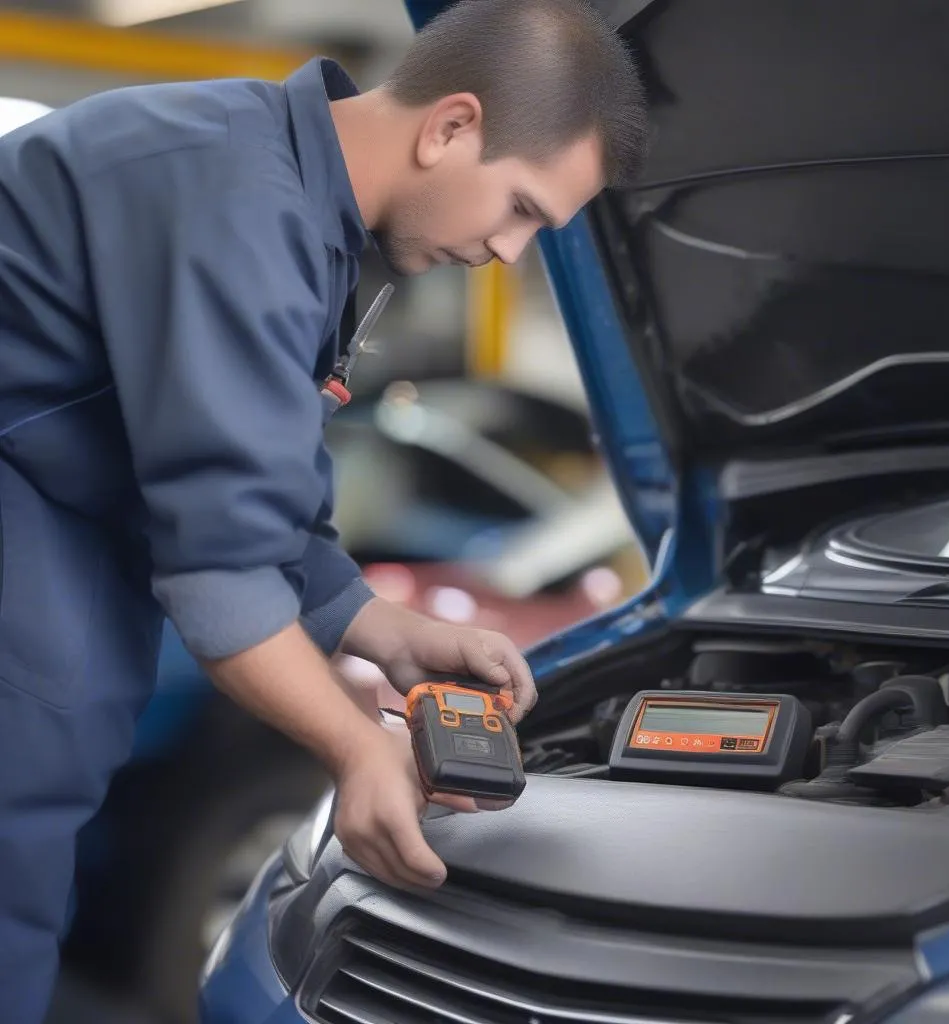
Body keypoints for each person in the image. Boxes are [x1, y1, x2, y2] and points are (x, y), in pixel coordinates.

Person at [0, 0, 649, 1019]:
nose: (510, 251)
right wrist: (359, 748)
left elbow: (247, 495)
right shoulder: (243, 207)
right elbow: (218, 576)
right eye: (521, 207)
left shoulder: (295, 206)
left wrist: (374, 624)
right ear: (450, 128)